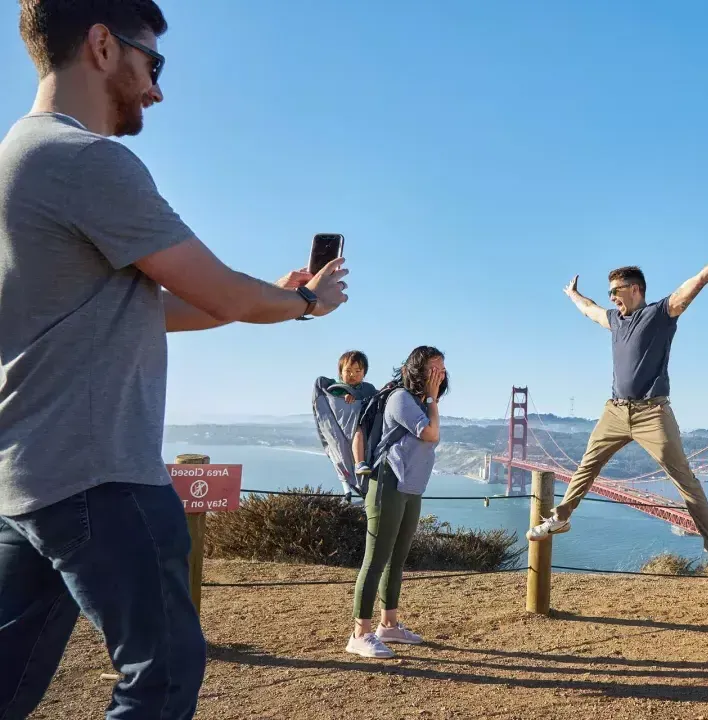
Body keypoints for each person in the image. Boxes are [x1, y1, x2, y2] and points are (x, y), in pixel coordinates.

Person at [0, 3, 348, 719]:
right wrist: (308, 306)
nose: (157, 89)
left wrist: (269, 299)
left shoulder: (17, 162)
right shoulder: (85, 160)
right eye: (152, 64)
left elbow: (164, 305)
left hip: (25, 480)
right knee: (160, 677)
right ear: (101, 45)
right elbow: (214, 286)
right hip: (101, 477)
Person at [526, 225, 708, 591]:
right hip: (614, 411)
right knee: (586, 467)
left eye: (617, 291)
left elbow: (699, 279)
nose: (612, 298)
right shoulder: (614, 320)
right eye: (609, 292)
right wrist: (574, 295)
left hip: (653, 413)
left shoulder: (661, 314)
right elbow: (589, 310)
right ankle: (560, 518)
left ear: (636, 289)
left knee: (686, 483)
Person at [347, 346, 447, 659]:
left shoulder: (420, 401)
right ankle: (359, 634)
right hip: (387, 485)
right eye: (434, 368)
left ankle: (388, 624)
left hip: (410, 488)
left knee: (397, 558)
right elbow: (430, 434)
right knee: (375, 559)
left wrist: (432, 397)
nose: (440, 374)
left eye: (442, 368)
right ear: (419, 371)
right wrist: (432, 397)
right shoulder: (402, 399)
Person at [312, 351, 379, 498]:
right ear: (340, 372)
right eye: (347, 371)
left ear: (364, 373)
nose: (352, 375)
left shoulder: (368, 388)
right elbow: (333, 396)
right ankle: (359, 463)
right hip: (350, 428)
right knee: (358, 432)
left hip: (368, 426)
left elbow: (378, 397)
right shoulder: (338, 387)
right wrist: (344, 396)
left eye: (357, 371)